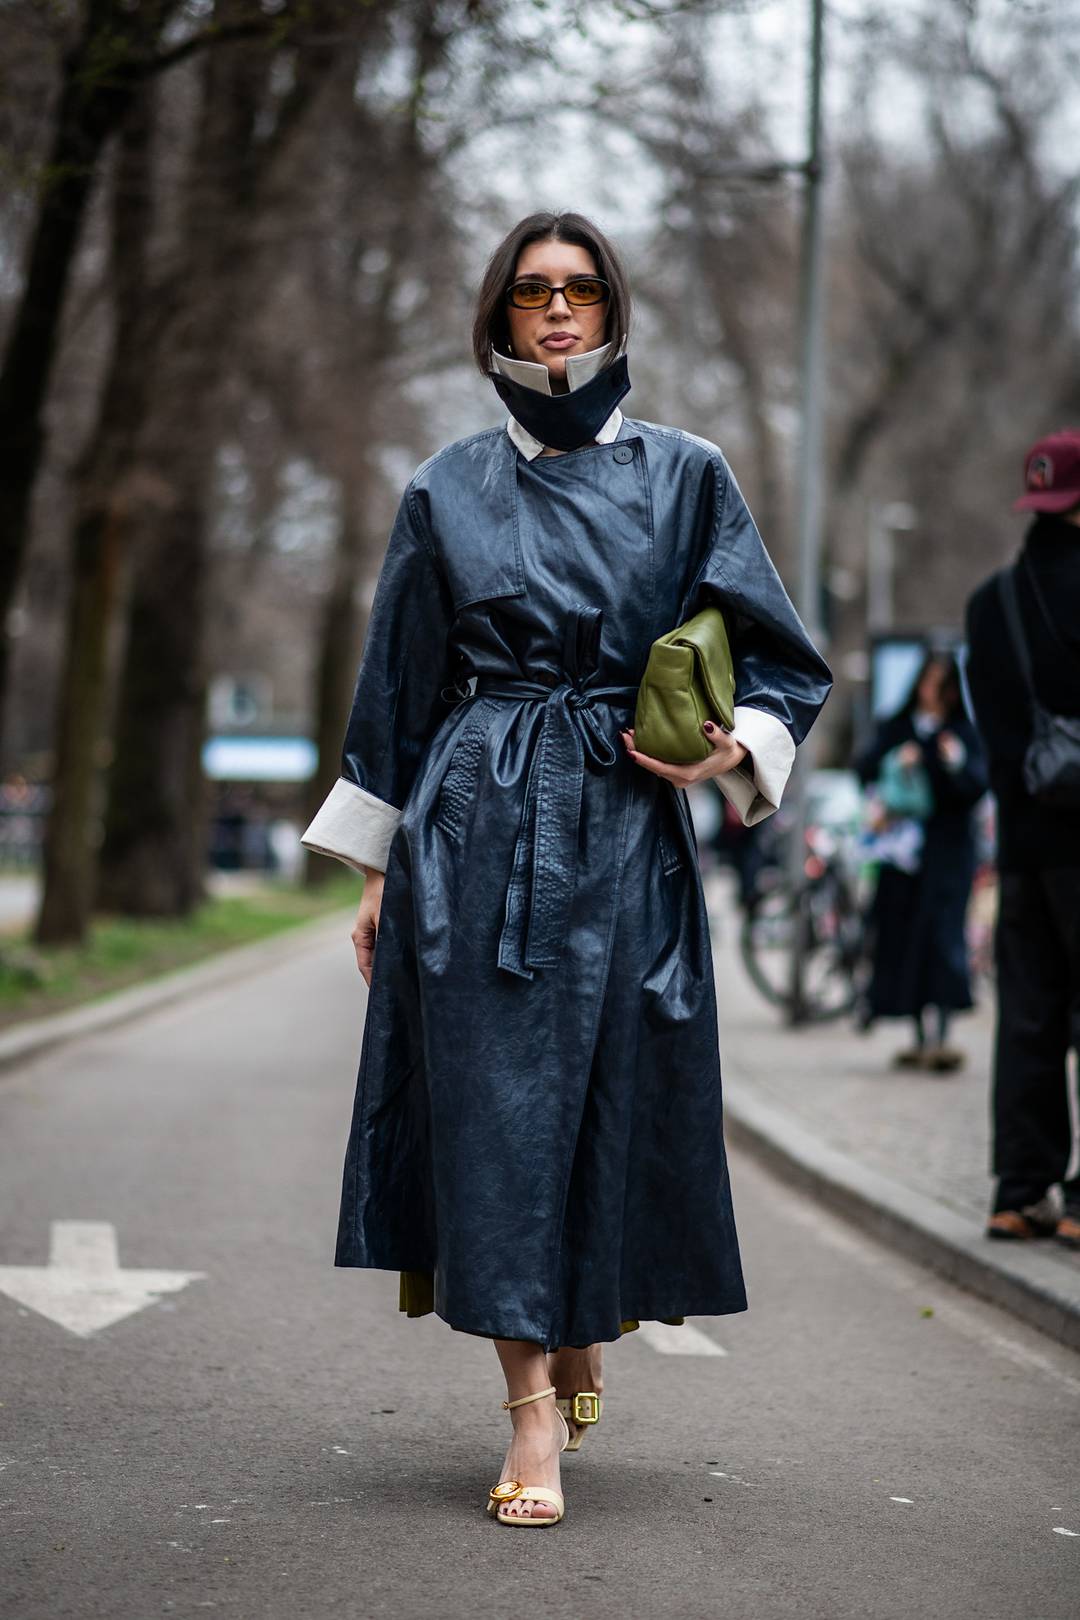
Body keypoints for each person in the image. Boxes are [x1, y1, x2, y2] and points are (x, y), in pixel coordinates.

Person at [301, 212, 831, 1527]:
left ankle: (580, 1315)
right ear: (498, 315)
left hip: (626, 824)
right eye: (532, 291)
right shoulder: (444, 489)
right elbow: (398, 691)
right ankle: (530, 1408)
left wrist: (732, 752)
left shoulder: (688, 475)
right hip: (476, 823)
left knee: (611, 1099)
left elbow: (784, 661)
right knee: (493, 1117)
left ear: (611, 313)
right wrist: (376, 871)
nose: (556, 312)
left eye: (579, 290)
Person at [965, 429, 1080, 1247]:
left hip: (1022, 844)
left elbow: (993, 736)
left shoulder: (988, 602)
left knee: (1029, 1017)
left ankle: (1018, 1190)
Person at [854, 653, 988, 1070]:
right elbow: (866, 767)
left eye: (940, 682)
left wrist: (953, 763)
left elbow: (974, 787)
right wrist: (898, 761)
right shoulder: (898, 728)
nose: (932, 691)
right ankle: (917, 1033)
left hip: (947, 855)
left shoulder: (961, 734)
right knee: (905, 938)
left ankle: (942, 1035)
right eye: (927, 680)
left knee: (943, 938)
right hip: (903, 858)